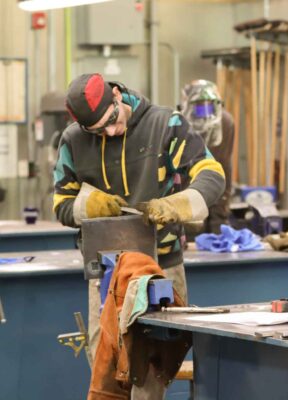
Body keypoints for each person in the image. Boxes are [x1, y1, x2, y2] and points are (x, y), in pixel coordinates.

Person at [53, 73, 225, 365]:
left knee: (159, 365)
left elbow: (212, 174)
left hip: (162, 266)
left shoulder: (165, 125)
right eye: (97, 131)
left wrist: (178, 204)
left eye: (111, 120)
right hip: (105, 274)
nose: (109, 132)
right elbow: (61, 205)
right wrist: (88, 207)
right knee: (106, 367)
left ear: (117, 95)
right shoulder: (73, 140)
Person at [181, 79, 234, 234]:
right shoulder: (178, 123)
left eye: (208, 106)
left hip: (215, 185)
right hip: (186, 193)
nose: (205, 114)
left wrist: (221, 215)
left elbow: (224, 167)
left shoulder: (226, 122)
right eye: (199, 107)